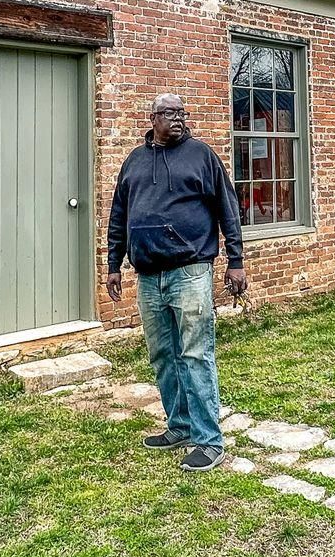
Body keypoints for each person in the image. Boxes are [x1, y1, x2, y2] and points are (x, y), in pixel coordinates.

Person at [106, 93, 247, 472]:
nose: (179, 118)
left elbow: (227, 209)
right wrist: (113, 263)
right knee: (163, 354)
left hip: (191, 271)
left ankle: (208, 440)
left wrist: (236, 261)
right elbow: (119, 214)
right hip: (148, 276)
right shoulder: (134, 161)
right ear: (152, 118)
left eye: (183, 112)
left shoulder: (201, 156)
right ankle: (179, 425)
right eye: (170, 113)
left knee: (195, 354)